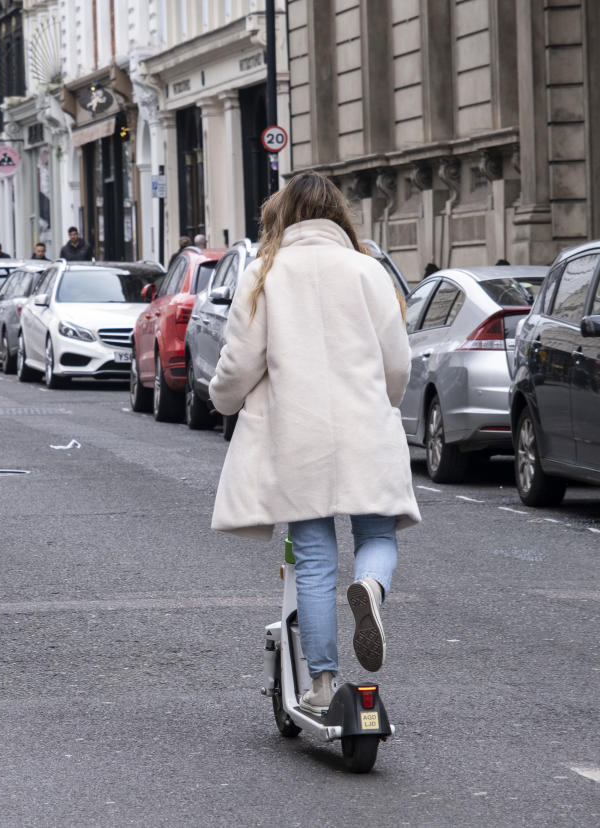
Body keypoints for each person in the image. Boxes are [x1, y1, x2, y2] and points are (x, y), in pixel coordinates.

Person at [207, 171, 419, 715]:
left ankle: (321, 685)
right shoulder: (368, 270)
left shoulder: (265, 273)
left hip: (297, 434)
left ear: (284, 215)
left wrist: (223, 400)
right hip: (365, 425)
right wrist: (384, 401)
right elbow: (398, 362)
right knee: (377, 534)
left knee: (316, 560)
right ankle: (371, 586)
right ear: (338, 215)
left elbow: (239, 364)